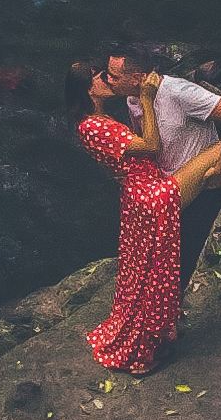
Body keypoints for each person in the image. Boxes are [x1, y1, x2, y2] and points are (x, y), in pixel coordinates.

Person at [108, 48, 221, 273]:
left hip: (201, 183)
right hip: (170, 181)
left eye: (114, 76)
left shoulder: (178, 92)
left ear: (137, 78)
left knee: (179, 261)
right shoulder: (133, 100)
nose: (108, 80)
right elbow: (149, 143)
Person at [68, 63, 184, 374]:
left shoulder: (99, 119)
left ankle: (158, 331)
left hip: (139, 190)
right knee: (153, 271)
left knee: (144, 271)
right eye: (101, 77)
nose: (108, 80)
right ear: (90, 89)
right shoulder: (94, 126)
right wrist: (146, 99)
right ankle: (147, 346)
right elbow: (151, 145)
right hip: (146, 194)